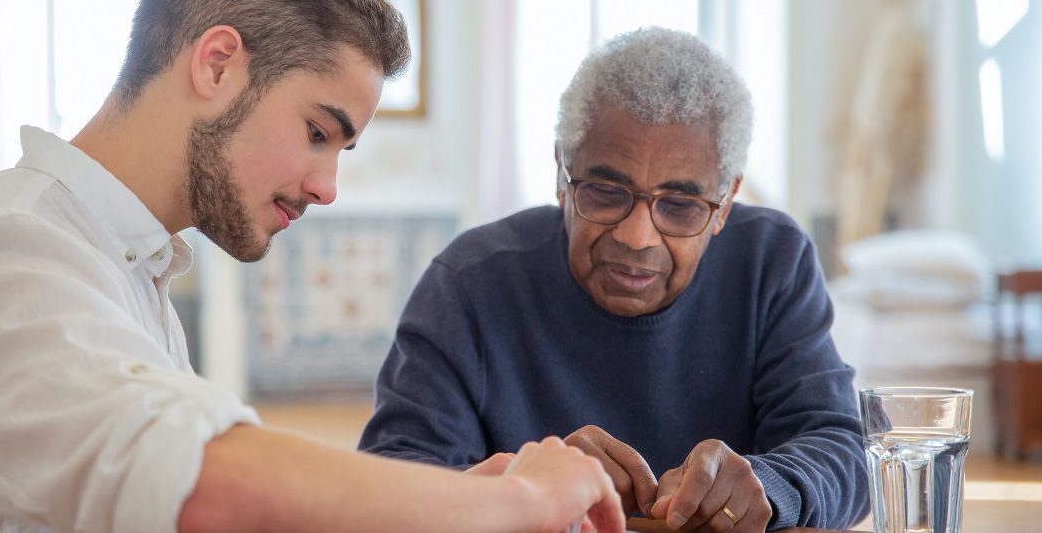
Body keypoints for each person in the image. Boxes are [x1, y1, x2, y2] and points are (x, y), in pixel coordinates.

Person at [0, 0, 625, 533]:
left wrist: (444, 501)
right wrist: (516, 504)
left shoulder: (123, 268)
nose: (328, 188)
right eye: (319, 132)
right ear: (217, 65)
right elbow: (205, 487)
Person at [360, 27, 870, 532]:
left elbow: (843, 449)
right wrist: (526, 486)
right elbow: (389, 483)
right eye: (605, 192)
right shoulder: (470, 283)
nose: (636, 236)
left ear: (725, 204)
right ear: (562, 174)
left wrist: (771, 485)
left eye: (680, 206)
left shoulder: (770, 263)